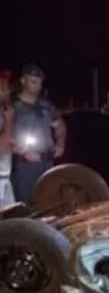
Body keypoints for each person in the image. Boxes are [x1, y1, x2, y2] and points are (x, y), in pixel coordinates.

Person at [11, 64, 66, 205]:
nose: (37, 86)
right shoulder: (11, 107)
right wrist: (22, 151)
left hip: (47, 162)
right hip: (24, 166)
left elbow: (60, 126)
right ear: (23, 81)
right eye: (33, 82)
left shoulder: (46, 106)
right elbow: (3, 137)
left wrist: (60, 144)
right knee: (24, 206)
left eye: (40, 82)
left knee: (48, 202)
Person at [0, 70, 15, 206]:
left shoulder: (2, 111)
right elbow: (1, 147)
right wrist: (9, 120)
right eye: (2, 87)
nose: (7, 90)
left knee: (10, 222)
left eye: (7, 86)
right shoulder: (7, 114)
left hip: (4, 177)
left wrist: (16, 147)